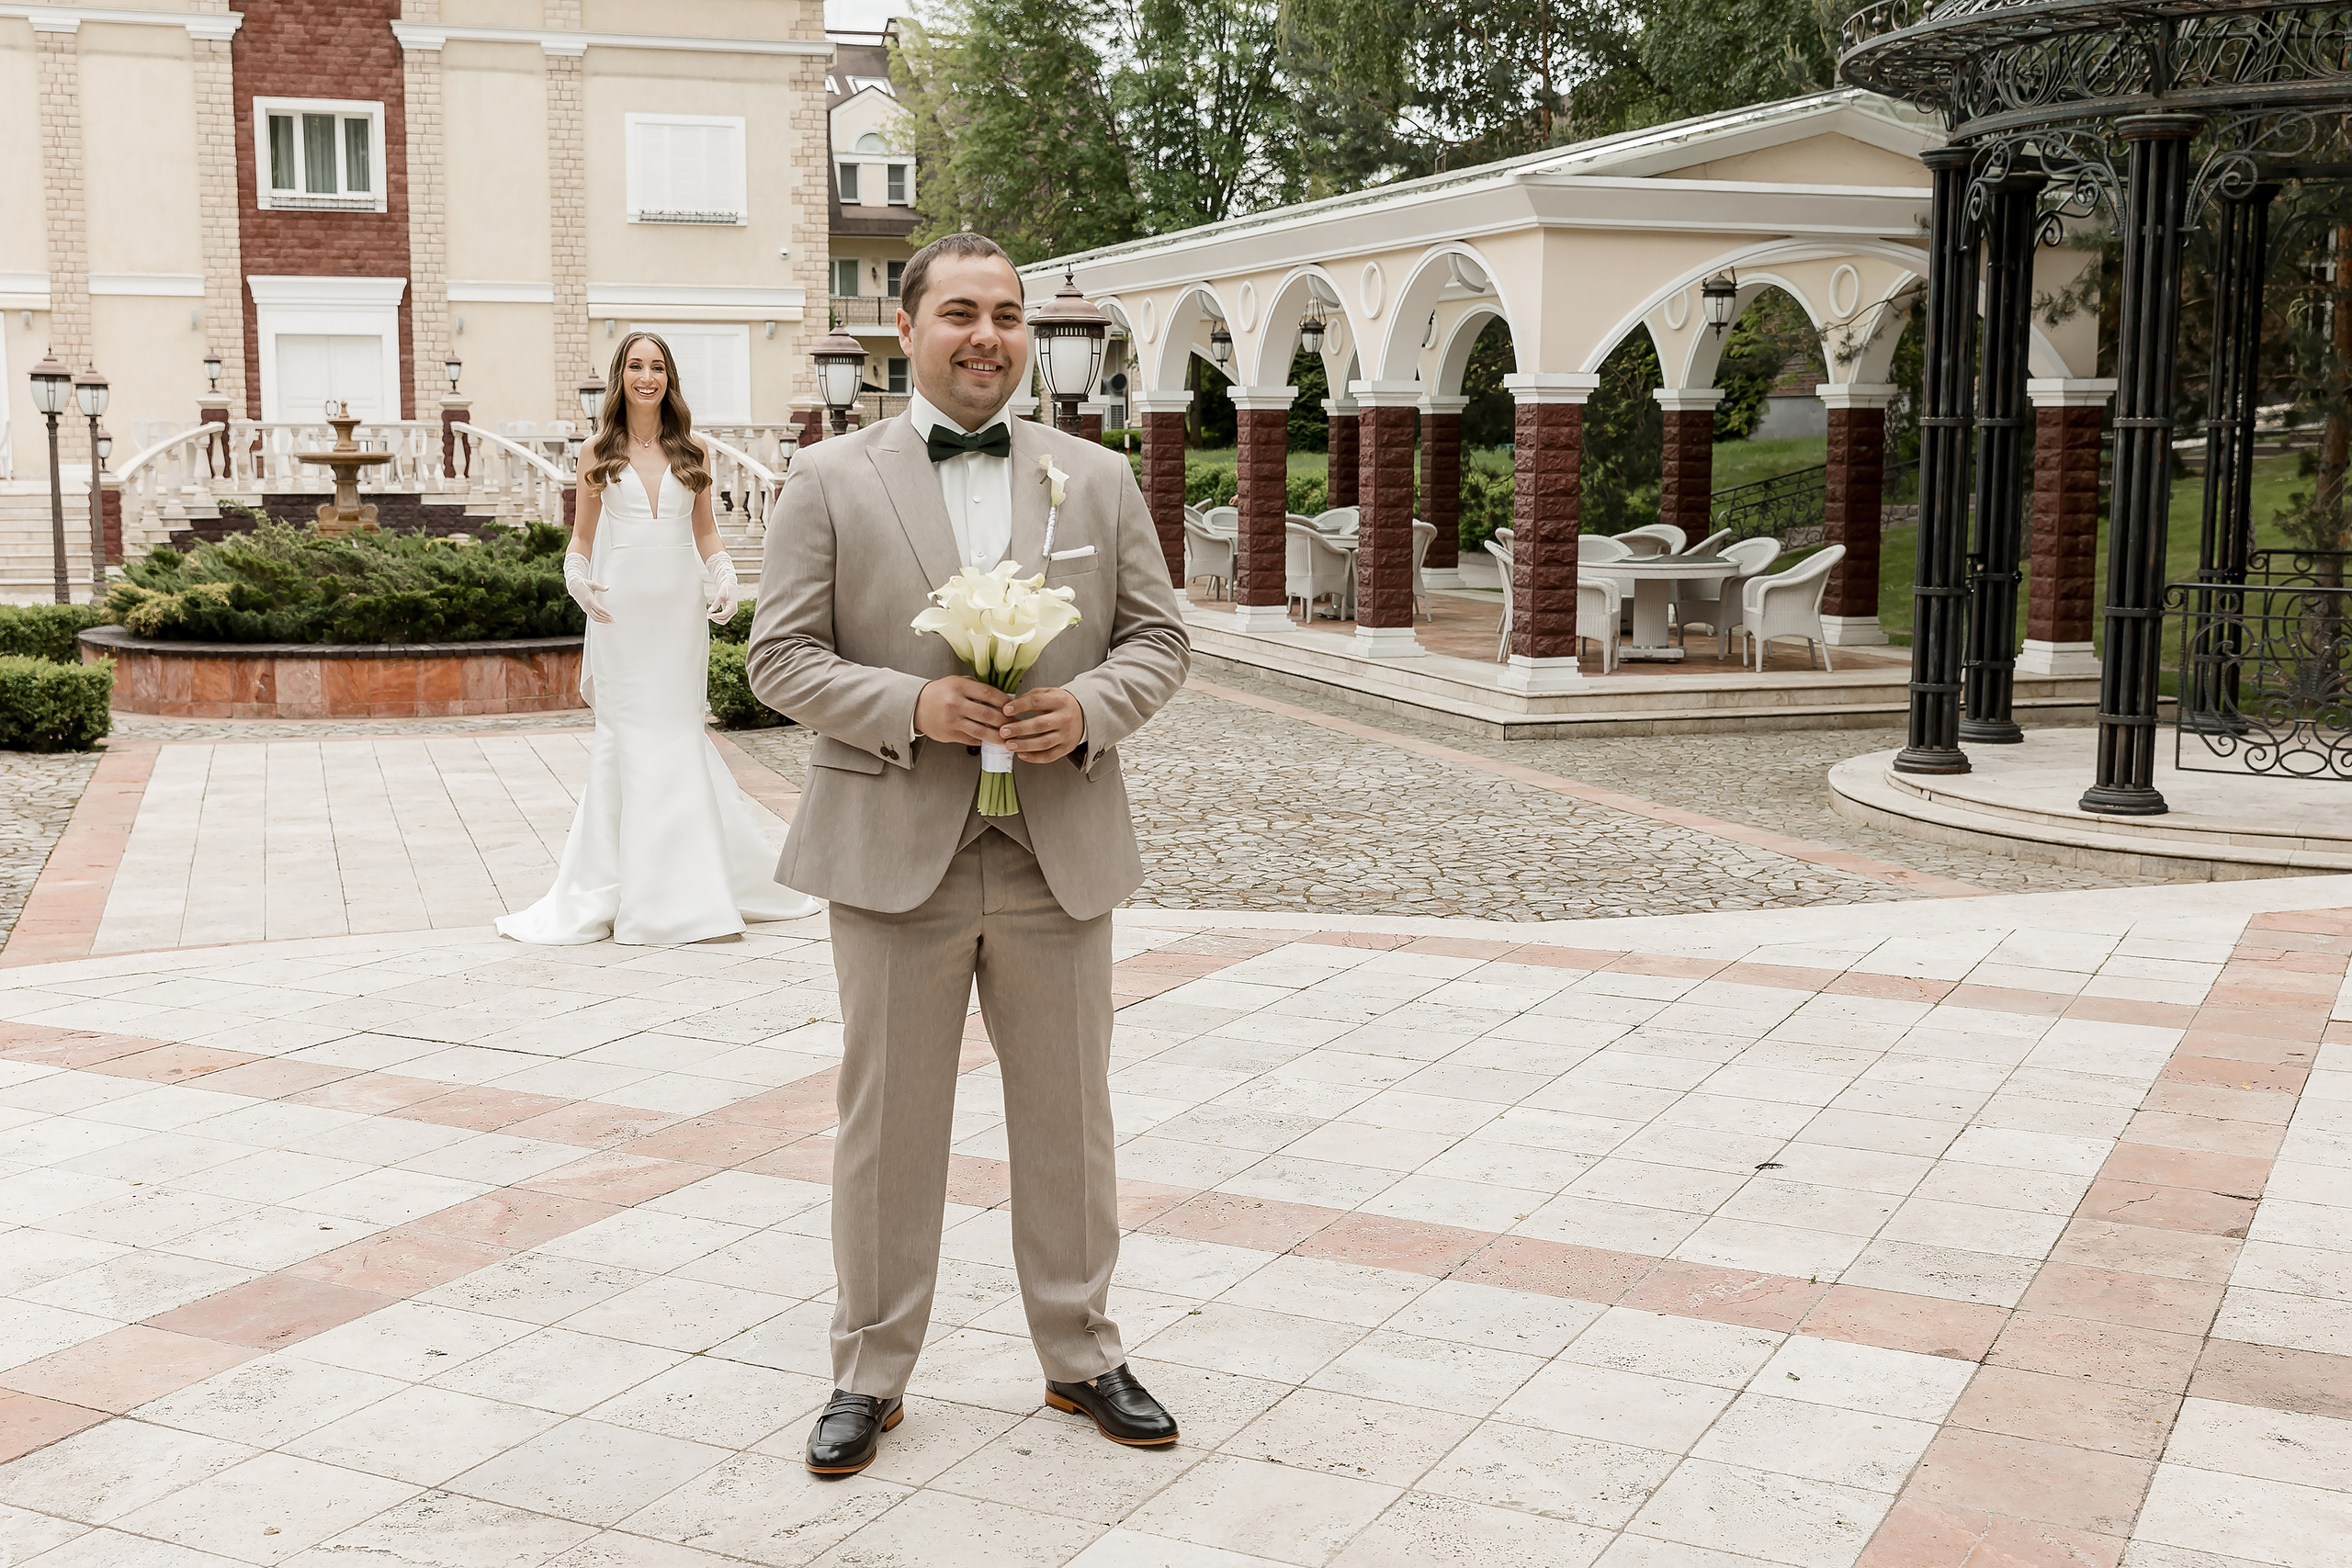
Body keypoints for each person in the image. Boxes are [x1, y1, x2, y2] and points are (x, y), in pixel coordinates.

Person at [747, 234, 1190, 1474]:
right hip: (896, 847)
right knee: (887, 1122)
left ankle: (1083, 1350)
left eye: (1005, 313)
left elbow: (1160, 638)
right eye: (958, 312)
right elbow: (775, 656)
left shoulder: (1096, 478)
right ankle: (868, 1370)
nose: (985, 334)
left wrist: (1092, 708)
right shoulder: (830, 477)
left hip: (1061, 849)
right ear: (906, 329)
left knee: (1072, 1116)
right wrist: (912, 706)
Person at [499, 331, 819, 946]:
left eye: (658, 367)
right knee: (627, 743)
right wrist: (577, 583)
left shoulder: (692, 449)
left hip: (677, 617)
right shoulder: (597, 450)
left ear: (670, 378)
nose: (647, 377)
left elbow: (706, 534)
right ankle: (625, 891)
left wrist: (725, 576)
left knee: (676, 736)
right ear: (621, 376)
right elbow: (582, 541)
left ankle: (690, 891)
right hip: (620, 619)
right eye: (636, 367)